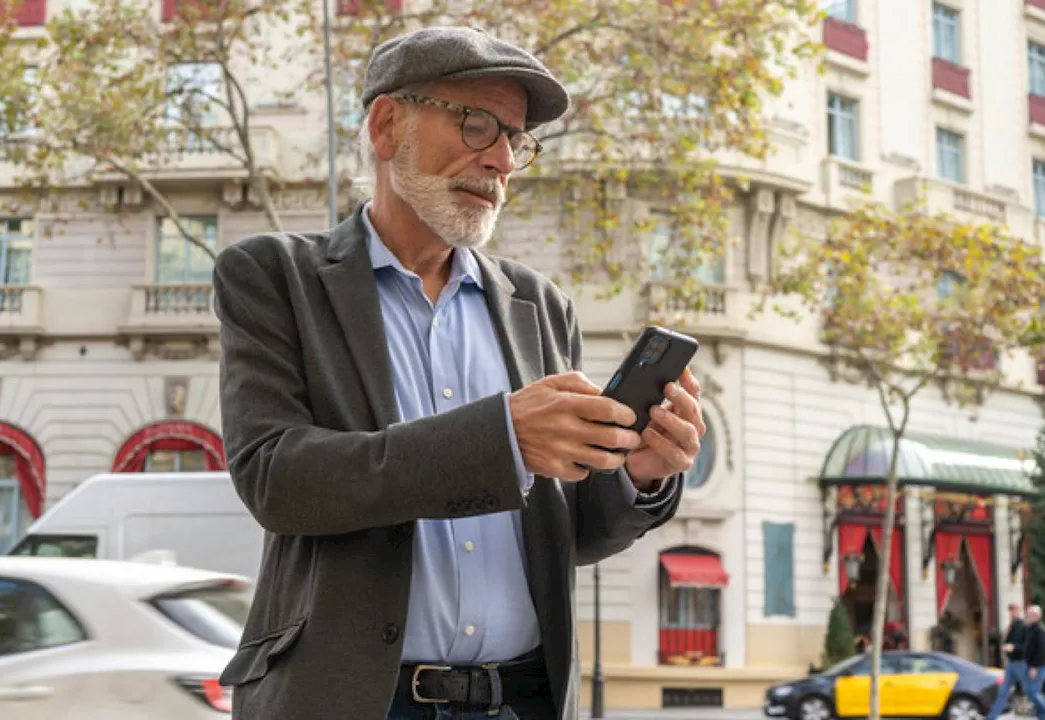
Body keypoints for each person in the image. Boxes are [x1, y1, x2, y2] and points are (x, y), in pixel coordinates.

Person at [211, 25, 704, 720]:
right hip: (354, 699)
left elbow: (574, 534)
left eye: (516, 139)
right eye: (478, 124)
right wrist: (501, 438)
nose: (502, 158)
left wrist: (638, 473)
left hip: (524, 698)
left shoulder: (540, 304)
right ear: (387, 126)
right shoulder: (273, 275)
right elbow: (278, 479)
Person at [986, 603, 1028, 720]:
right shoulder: (1011, 626)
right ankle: (991, 717)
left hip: (1020, 663)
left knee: (1030, 690)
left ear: (1019, 611)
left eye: (1014, 610)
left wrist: (1014, 647)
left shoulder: (1023, 626)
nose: (1012, 613)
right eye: (1011, 611)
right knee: (1003, 691)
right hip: (1011, 664)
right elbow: (1004, 643)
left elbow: (1027, 647)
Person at [1023, 605, 1045, 720]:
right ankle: (1042, 716)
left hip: (1038, 667)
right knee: (1030, 691)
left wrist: (1034, 667)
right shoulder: (1030, 629)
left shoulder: (1041, 631)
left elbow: (1042, 652)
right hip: (1030, 666)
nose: (1027, 617)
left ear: (1037, 616)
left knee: (1033, 692)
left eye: (1030, 615)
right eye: (1027, 614)